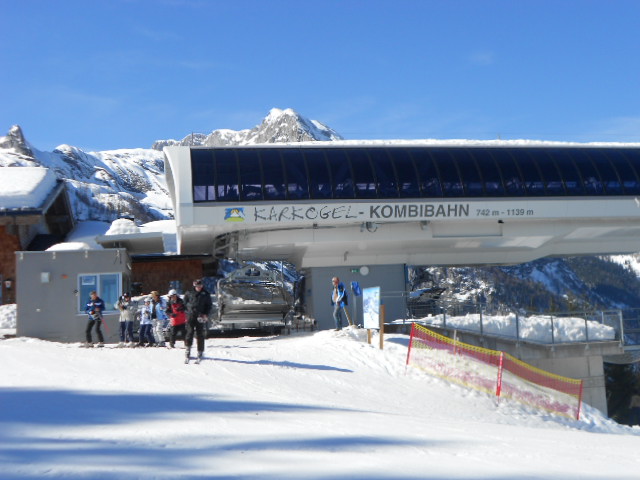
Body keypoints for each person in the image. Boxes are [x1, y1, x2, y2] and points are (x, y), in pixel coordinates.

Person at [183, 279, 212, 362]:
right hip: (190, 316)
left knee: (200, 334)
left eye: (200, 286)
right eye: (197, 286)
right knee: (189, 332)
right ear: (194, 286)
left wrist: (205, 314)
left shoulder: (205, 294)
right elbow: (184, 303)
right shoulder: (189, 292)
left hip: (200, 316)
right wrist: (187, 311)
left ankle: (200, 351)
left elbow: (209, 306)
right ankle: (188, 349)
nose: (199, 287)